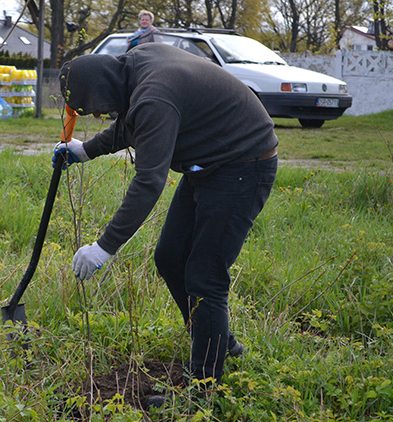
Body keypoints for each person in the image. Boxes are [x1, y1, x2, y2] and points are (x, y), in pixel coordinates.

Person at [53, 43, 278, 402]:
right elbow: (133, 121)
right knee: (170, 258)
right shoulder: (137, 65)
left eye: (99, 111)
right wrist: (87, 150)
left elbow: (149, 181)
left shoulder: (154, 97)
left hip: (243, 165)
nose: (102, 117)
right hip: (209, 163)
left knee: (205, 276)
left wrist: (104, 247)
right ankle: (219, 343)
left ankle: (202, 392)